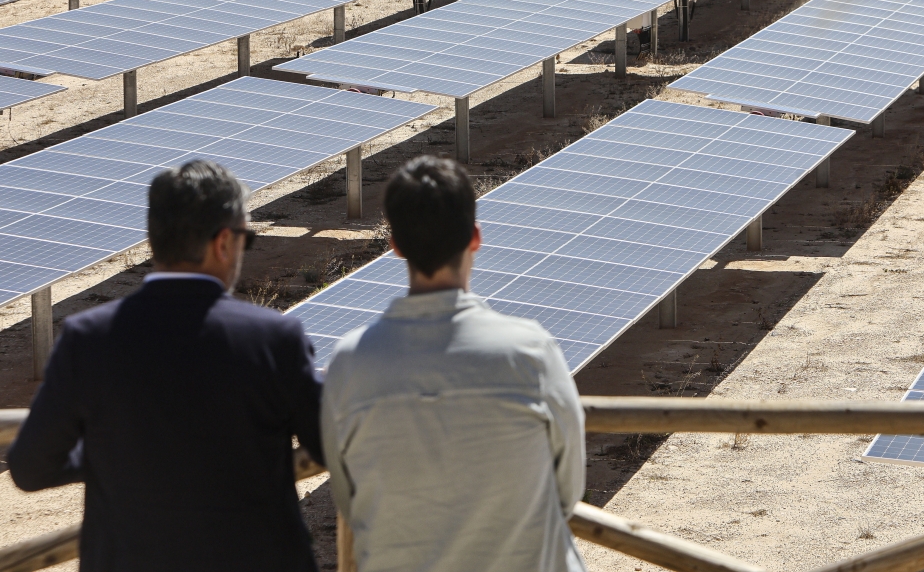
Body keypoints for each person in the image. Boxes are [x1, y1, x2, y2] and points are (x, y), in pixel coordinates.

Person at [8, 160, 324, 572]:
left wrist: (115, 450)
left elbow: (30, 468)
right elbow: (329, 442)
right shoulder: (275, 339)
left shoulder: (88, 339)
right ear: (223, 242)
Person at [321, 156, 586, 572]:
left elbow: (348, 498)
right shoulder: (531, 352)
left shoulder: (348, 364)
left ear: (395, 245)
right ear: (475, 237)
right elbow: (568, 490)